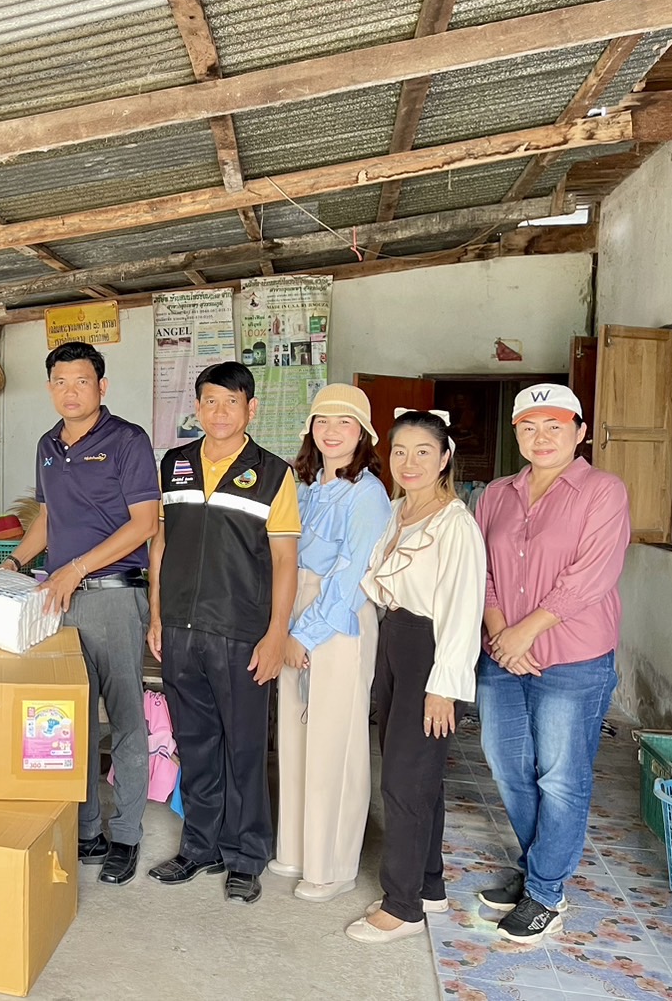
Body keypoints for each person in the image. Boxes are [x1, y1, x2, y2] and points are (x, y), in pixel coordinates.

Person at [473, 384, 630, 943]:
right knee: (507, 764)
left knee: (560, 776)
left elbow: (591, 576)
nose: (541, 437)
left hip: (573, 658)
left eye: (554, 426)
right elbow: (481, 569)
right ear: (516, 432)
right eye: (529, 427)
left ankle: (545, 892)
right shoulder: (496, 494)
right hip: (502, 655)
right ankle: (538, 866)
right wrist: (501, 634)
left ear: (579, 432)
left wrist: (525, 633)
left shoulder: (603, 491)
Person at [146, 361, 300, 905]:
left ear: (250, 409)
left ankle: (245, 856)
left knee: (245, 748)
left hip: (241, 631)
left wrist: (276, 634)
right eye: (209, 401)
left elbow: (285, 561)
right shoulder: (175, 464)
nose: (219, 412)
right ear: (197, 407)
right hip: (181, 629)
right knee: (195, 743)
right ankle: (200, 846)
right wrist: (157, 616)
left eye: (230, 402)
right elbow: (161, 545)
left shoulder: (275, 473)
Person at [10, 342, 159, 886]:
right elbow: (48, 518)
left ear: (102, 386)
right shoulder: (47, 445)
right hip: (59, 601)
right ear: (50, 388)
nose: (70, 391)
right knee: (70, 720)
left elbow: (144, 523)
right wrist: (13, 563)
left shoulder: (128, 441)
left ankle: (127, 835)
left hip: (114, 596)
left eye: (81, 381)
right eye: (60, 382)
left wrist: (74, 569)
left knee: (125, 718)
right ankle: (87, 828)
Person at [349, 409, 485, 944]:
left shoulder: (455, 524)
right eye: (400, 451)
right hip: (396, 639)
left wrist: (444, 686)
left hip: (430, 650)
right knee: (418, 776)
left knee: (404, 780)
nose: (410, 462)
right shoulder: (399, 510)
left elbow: (463, 610)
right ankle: (429, 885)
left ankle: (402, 907)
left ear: (445, 458)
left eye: (423, 452)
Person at [270, 384, 391, 903]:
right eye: (323, 420)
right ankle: (297, 849)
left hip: (338, 621)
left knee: (334, 741)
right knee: (296, 735)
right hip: (293, 609)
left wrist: (303, 634)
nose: (332, 431)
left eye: (345, 422)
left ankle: (333, 865)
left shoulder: (367, 493)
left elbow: (352, 575)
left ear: (363, 433)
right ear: (310, 429)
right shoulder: (301, 485)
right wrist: (282, 625)